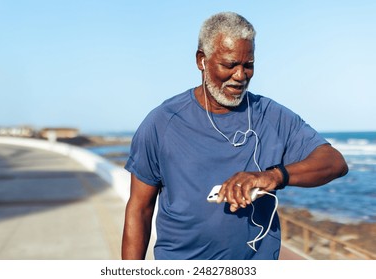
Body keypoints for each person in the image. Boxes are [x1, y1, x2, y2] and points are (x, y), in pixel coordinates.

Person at [122, 12, 348, 260]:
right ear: (202, 60)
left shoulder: (271, 116)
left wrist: (273, 176)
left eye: (248, 65)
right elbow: (139, 209)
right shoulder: (162, 122)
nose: (240, 76)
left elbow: (334, 162)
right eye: (229, 65)